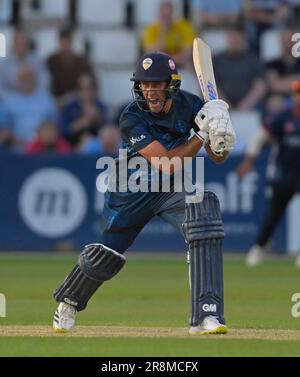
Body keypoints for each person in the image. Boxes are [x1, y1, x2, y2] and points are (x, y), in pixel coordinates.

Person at [52, 52, 236, 335]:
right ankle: (68, 302)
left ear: (171, 84)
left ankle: (207, 315)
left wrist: (219, 135)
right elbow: (165, 162)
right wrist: (200, 135)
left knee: (204, 222)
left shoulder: (190, 104)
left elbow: (217, 156)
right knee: (106, 255)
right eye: (144, 84)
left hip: (171, 189)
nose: (149, 90)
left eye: (155, 84)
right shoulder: (130, 116)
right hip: (131, 190)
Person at [237, 80, 300, 267]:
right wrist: (249, 160)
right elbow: (260, 137)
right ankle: (259, 247)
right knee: (275, 212)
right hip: (284, 171)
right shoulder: (283, 117)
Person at [141, 1, 196, 69]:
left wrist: (165, 60)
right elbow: (150, 56)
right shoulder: (151, 29)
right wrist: (163, 32)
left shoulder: (185, 27)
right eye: (164, 16)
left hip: (179, 65)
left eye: (168, 15)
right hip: (159, 66)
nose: (166, 18)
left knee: (188, 66)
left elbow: (186, 55)